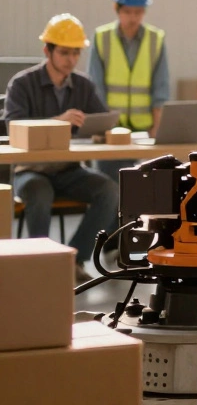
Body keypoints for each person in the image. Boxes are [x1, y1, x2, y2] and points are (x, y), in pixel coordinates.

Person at [3, 14, 120, 285]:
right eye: (65, 52)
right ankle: (40, 263)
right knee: (39, 191)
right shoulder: (22, 83)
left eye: (76, 53)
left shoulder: (83, 85)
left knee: (109, 190)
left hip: (69, 170)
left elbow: (100, 120)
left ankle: (73, 260)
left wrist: (104, 132)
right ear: (48, 50)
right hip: (31, 171)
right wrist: (58, 121)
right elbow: (14, 127)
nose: (71, 59)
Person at [87, 0, 170, 182]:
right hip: (111, 130)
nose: (133, 18)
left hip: (145, 129)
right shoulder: (102, 38)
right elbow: (96, 88)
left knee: (143, 191)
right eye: (128, 12)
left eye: (138, 12)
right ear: (117, 8)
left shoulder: (155, 40)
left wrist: (157, 129)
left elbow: (160, 88)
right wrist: (103, 127)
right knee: (111, 189)